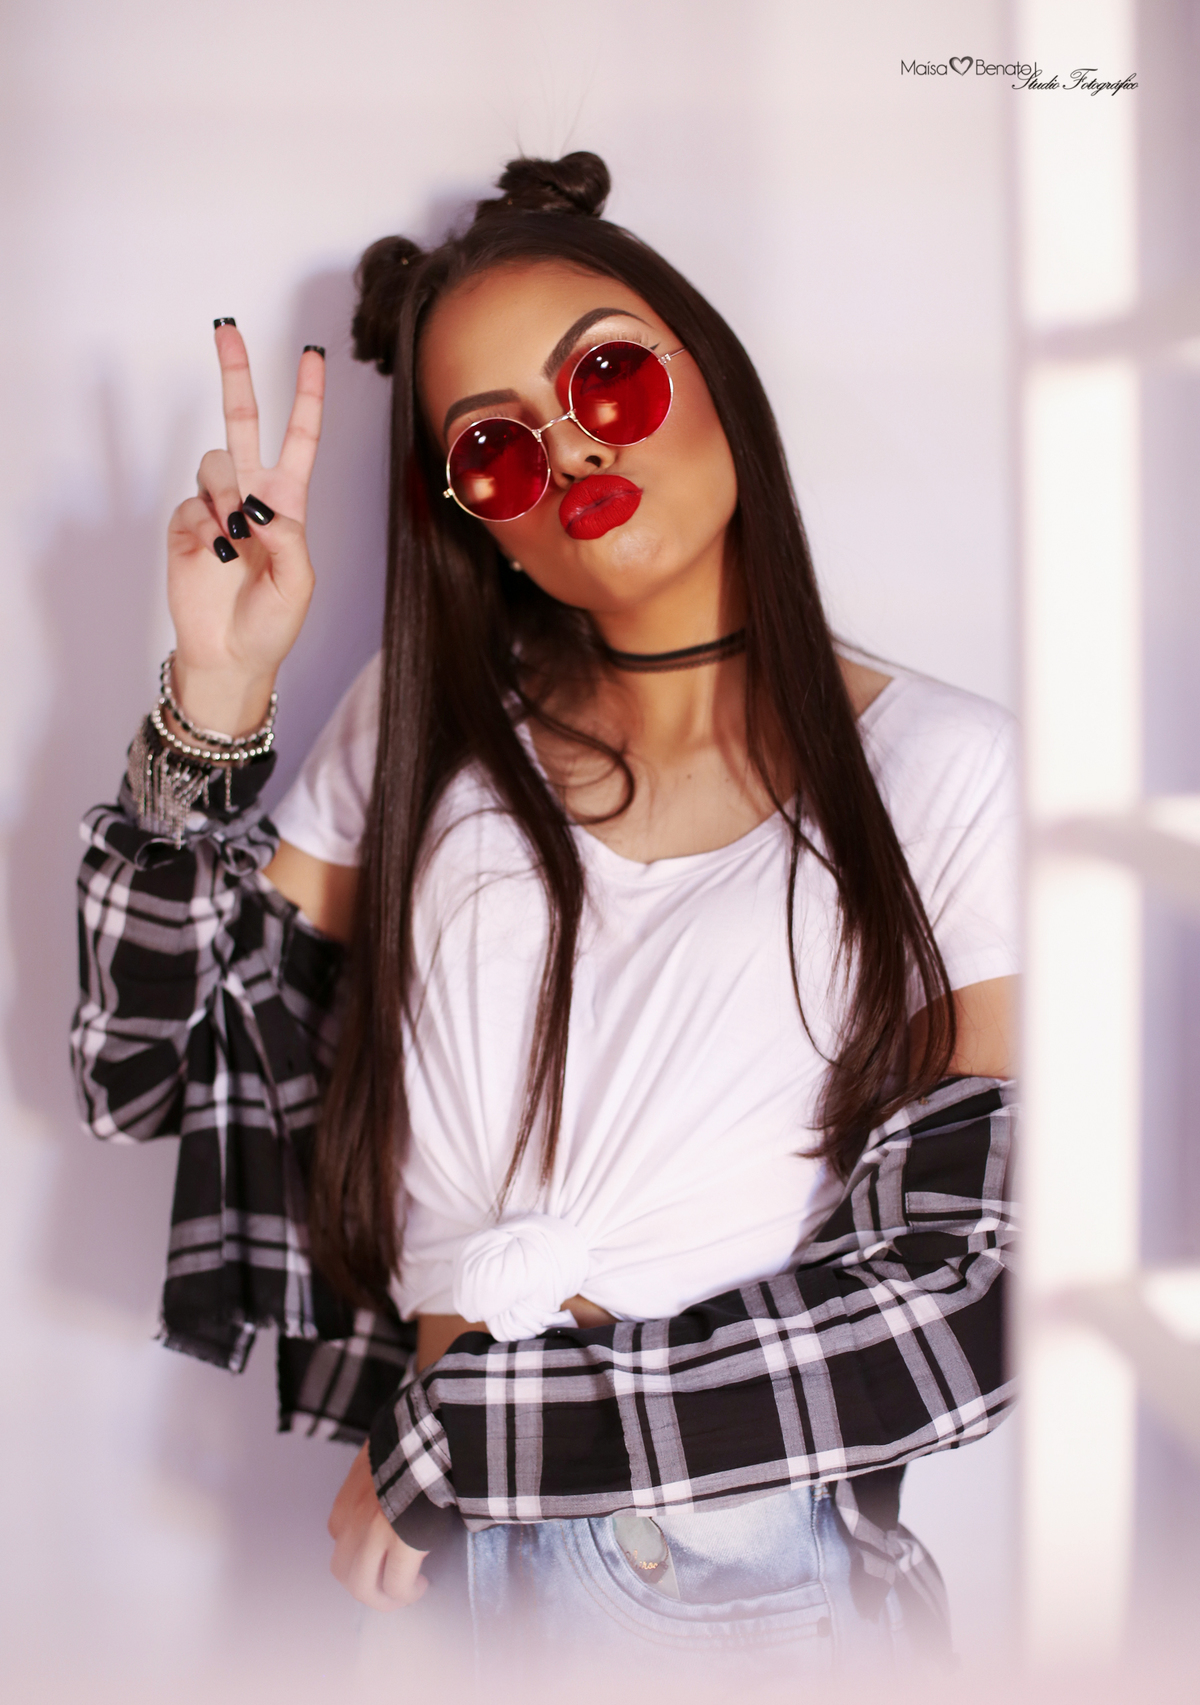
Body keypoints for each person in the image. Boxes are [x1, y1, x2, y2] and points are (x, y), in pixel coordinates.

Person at [72, 152, 1017, 1690]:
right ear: (480, 524)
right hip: (427, 1561)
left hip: (721, 1567)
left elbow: (967, 1293)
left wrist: (474, 1432)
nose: (570, 446)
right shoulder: (425, 726)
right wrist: (216, 697)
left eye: (609, 379)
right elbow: (150, 1075)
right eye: (496, 451)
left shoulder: (946, 770)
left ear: (713, 371)